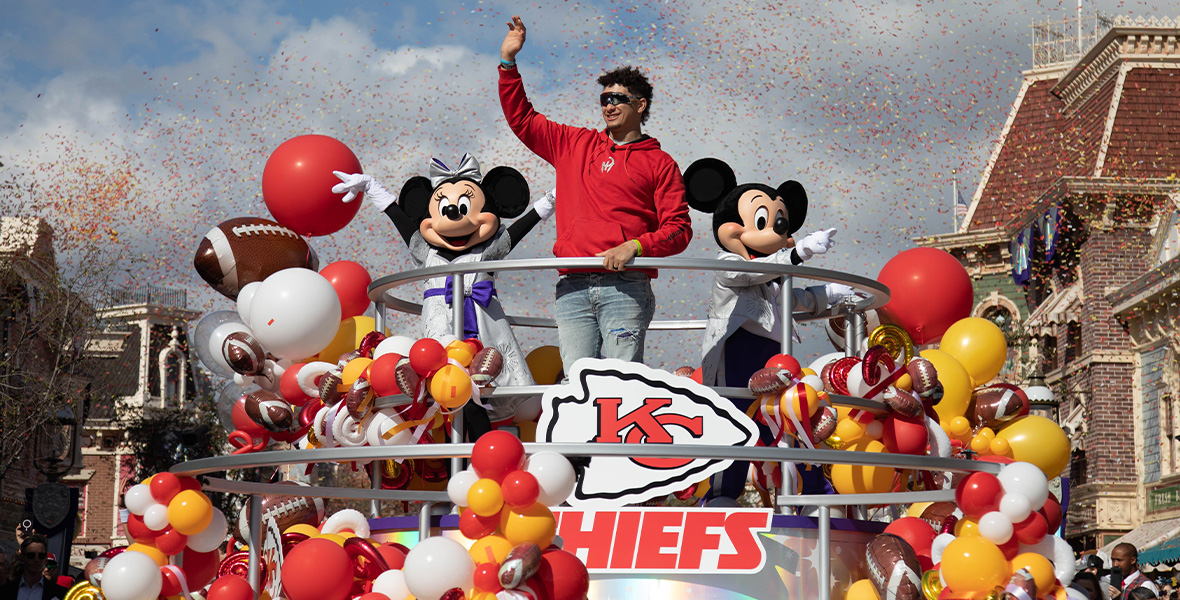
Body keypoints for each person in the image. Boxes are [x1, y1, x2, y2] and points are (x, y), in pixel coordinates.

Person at [498, 15, 692, 373]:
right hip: (571, 284)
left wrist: (634, 248)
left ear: (640, 105)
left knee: (622, 383)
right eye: (604, 98)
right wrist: (509, 63)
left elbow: (679, 230)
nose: (609, 105)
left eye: (618, 98)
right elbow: (522, 119)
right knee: (576, 383)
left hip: (626, 286)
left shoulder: (661, 163)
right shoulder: (573, 143)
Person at [0, 534, 69, 600]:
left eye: (41, 556)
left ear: (45, 559)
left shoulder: (61, 593)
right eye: (31, 555)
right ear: (23, 557)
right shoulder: (6, 591)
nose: (36, 559)